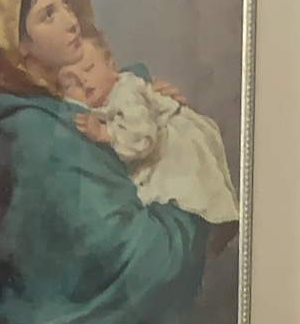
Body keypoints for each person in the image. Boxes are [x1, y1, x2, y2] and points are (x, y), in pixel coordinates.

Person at [0, 0, 212, 324]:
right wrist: (192, 212)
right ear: (18, 44)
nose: (72, 22)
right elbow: (137, 263)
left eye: (67, 5)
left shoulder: (42, 103)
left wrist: (141, 99)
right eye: (48, 15)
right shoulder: (39, 134)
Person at [57, 36, 240, 231]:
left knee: (188, 193)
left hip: (174, 144)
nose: (84, 81)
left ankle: (215, 225)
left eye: (89, 69)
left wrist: (104, 132)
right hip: (155, 143)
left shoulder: (125, 94)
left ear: (112, 66)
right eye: (71, 83)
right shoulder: (100, 101)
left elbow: (141, 136)